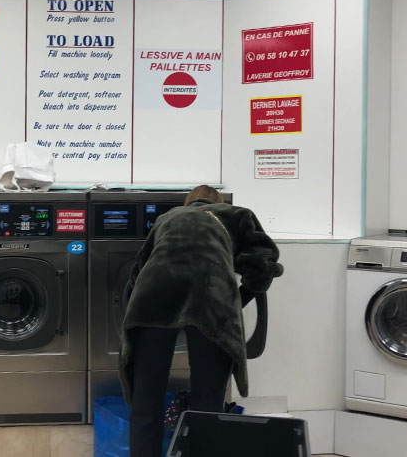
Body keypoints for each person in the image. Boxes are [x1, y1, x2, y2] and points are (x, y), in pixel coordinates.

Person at [119, 185, 284, 457]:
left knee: (146, 397)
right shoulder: (238, 215)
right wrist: (239, 298)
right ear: (219, 202)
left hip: (152, 300)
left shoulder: (168, 217)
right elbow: (263, 264)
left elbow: (138, 270)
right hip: (210, 301)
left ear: (189, 202)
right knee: (208, 401)